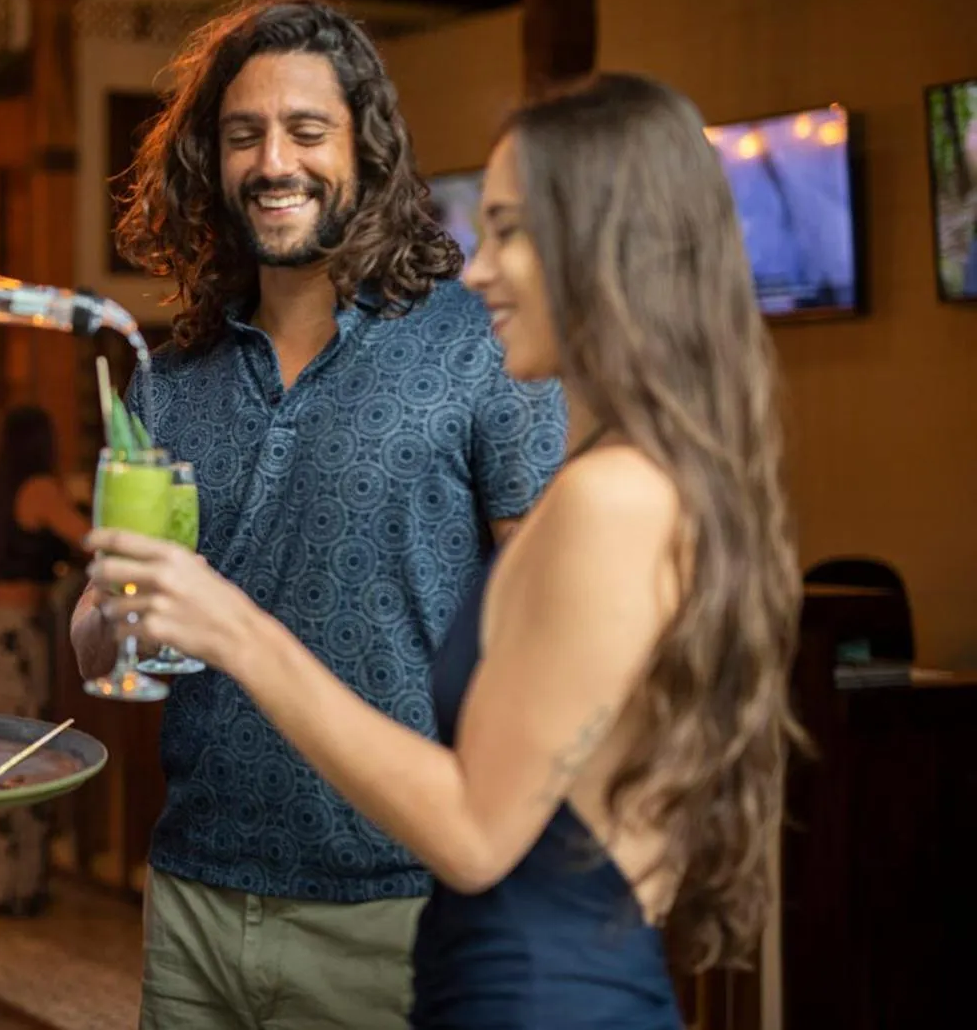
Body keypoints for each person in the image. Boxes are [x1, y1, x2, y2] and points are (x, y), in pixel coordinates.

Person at [88, 72, 805, 1028]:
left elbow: (474, 833)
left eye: (510, 231)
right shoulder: (629, 479)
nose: (478, 269)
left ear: (605, 247)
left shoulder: (610, 497)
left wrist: (238, 631)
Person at [71, 0, 567, 1029]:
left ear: (365, 152)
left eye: (306, 131)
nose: (272, 162)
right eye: (244, 134)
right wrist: (112, 614)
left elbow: (550, 631)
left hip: (402, 908)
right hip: (195, 900)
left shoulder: (478, 346)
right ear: (212, 161)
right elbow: (99, 637)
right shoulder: (168, 381)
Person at [0, 404, 89, 915]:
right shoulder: (39, 489)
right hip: (13, 638)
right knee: (22, 759)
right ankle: (15, 888)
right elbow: (92, 541)